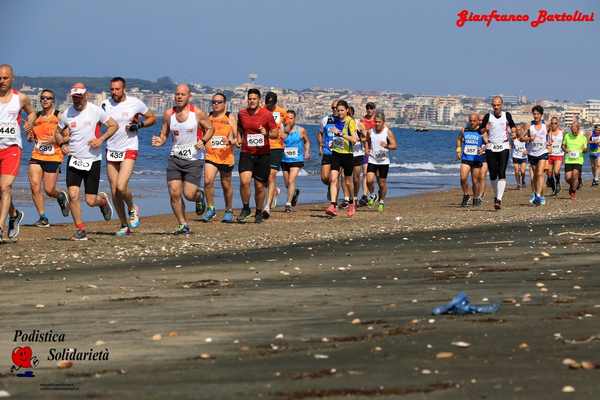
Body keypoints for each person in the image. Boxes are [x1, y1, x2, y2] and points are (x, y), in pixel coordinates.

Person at [54, 83, 118, 240]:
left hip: (93, 160)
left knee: (90, 200)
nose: (77, 100)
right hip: (74, 159)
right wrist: (62, 144)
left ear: (86, 95)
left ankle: (102, 201)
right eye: (74, 97)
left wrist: (100, 139)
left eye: (79, 96)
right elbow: (57, 132)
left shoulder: (96, 110)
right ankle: (80, 229)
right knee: (73, 195)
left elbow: (113, 126)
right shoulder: (66, 114)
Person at [151, 84, 212, 235]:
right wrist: (161, 140)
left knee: (189, 194)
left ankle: (199, 196)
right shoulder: (168, 114)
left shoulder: (196, 113)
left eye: (182, 94)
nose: (179, 97)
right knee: (174, 192)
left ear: (188, 96)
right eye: (177, 94)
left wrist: (203, 141)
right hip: (175, 158)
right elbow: (164, 133)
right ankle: (183, 224)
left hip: (194, 159)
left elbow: (210, 128)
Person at [101, 77, 156, 236]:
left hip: (129, 147)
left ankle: (133, 208)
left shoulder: (135, 103)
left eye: (117, 89)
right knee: (114, 191)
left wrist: (139, 125)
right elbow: (97, 123)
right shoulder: (105, 104)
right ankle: (124, 225)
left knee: (121, 186)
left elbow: (151, 118)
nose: (114, 92)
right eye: (112, 89)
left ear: (123, 89)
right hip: (111, 149)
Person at [0, 64, 37, 241]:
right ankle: (14, 214)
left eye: (5, 78)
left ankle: (0, 227)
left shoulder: (20, 98)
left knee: (5, 187)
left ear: (12, 78)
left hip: (12, 148)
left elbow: (32, 113)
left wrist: (30, 122)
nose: (2, 81)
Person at [24, 89, 70, 227]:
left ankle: (60, 196)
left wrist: (56, 140)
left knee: (49, 190)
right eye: (43, 98)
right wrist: (29, 135)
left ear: (53, 101)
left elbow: (69, 136)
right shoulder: (35, 117)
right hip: (37, 155)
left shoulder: (59, 116)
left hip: (54, 157)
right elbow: (30, 137)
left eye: (48, 98)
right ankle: (43, 217)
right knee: (34, 186)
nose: (45, 100)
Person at [236, 88, 278, 223]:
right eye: (249, 99)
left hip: (262, 154)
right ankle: (246, 207)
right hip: (246, 153)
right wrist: (238, 138)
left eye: (254, 99)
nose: (251, 101)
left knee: (260, 187)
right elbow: (240, 128)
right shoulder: (242, 114)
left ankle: (259, 211)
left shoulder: (266, 114)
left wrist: (266, 133)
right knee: (244, 181)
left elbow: (275, 133)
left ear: (259, 100)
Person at [201, 92, 237, 223]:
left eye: (219, 102)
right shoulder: (208, 116)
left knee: (226, 185)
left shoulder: (230, 117)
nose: (216, 104)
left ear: (224, 103)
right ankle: (211, 208)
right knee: (207, 181)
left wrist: (231, 141)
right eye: (214, 102)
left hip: (226, 156)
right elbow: (202, 133)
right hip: (210, 155)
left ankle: (228, 210)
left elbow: (237, 138)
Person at [480, 96, 517, 210]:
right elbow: (481, 130)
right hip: (491, 146)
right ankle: (496, 196)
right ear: (492, 106)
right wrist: (485, 129)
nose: (496, 107)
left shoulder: (507, 115)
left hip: (504, 146)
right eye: (494, 105)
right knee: (492, 174)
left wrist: (514, 133)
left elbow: (513, 126)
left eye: (498, 105)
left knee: (501, 172)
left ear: (502, 105)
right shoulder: (488, 116)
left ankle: (499, 199)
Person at [325, 100, 359, 217]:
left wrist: (340, 134)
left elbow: (354, 140)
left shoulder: (351, 122)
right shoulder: (334, 120)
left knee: (348, 182)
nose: (339, 112)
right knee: (333, 178)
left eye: (342, 110)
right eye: (338, 110)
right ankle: (333, 205)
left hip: (347, 154)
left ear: (347, 110)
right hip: (336, 153)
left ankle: (351, 203)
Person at [262, 91, 287, 219]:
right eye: (268, 103)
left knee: (271, 175)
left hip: (276, 147)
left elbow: (288, 125)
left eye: (271, 104)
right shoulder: (261, 110)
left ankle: (267, 207)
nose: (269, 106)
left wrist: (285, 132)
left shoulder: (282, 111)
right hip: (262, 146)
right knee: (263, 177)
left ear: (275, 103)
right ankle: (275, 191)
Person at [365, 111, 397, 212]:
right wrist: (367, 148)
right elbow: (367, 140)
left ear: (383, 122)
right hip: (372, 159)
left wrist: (386, 145)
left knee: (382, 184)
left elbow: (394, 146)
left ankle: (381, 201)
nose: (377, 124)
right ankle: (372, 195)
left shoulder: (387, 132)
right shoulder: (370, 131)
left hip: (383, 162)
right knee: (369, 180)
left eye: (379, 122)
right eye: (375, 122)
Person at [281, 110, 310, 212]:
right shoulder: (281, 130)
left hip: (297, 159)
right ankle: (295, 192)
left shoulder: (301, 130)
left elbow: (307, 142)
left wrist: (306, 152)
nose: (288, 120)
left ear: (294, 119)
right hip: (284, 159)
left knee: (291, 180)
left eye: (291, 118)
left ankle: (288, 204)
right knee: (286, 184)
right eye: (287, 118)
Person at [456, 113, 486, 207]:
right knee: (463, 178)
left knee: (475, 181)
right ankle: (466, 195)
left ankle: (476, 197)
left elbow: (488, 143)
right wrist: (458, 149)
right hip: (466, 158)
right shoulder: (464, 130)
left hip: (477, 159)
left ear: (478, 121)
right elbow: (459, 139)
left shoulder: (482, 131)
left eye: (474, 121)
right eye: (470, 121)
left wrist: (483, 149)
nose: (472, 122)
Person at [522, 105, 549, 206]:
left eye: (538, 114)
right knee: (535, 177)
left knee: (540, 173)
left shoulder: (546, 126)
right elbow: (521, 138)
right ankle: (539, 194)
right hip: (532, 153)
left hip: (543, 152)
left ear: (541, 115)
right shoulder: (529, 126)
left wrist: (550, 144)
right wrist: (529, 138)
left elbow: (550, 137)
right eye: (534, 114)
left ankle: (537, 195)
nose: (536, 116)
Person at [562, 121, 588, 200]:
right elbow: (563, 146)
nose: (574, 131)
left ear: (578, 128)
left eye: (575, 129)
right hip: (568, 159)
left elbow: (586, 149)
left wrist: (584, 150)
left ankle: (573, 191)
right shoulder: (567, 136)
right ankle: (575, 184)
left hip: (578, 159)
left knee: (575, 175)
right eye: (572, 129)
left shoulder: (583, 138)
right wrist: (565, 150)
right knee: (567, 178)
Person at [349, 106, 368, 208]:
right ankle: (349, 198)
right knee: (346, 177)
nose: (349, 115)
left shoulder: (358, 123)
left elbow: (365, 138)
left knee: (356, 178)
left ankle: (355, 196)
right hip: (346, 153)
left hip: (357, 153)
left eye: (350, 114)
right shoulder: (342, 123)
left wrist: (360, 137)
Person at [317, 101, 338, 199]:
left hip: (340, 153)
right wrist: (320, 146)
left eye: (336, 108)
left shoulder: (345, 120)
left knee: (335, 178)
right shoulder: (325, 120)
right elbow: (320, 133)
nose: (335, 110)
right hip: (327, 151)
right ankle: (330, 185)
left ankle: (334, 203)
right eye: (333, 108)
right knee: (324, 177)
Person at [359, 102, 376, 206]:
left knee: (374, 176)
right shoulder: (362, 120)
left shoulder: (377, 120)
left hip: (377, 151)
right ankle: (365, 196)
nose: (369, 110)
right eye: (368, 108)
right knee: (365, 173)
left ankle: (373, 194)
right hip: (365, 149)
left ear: (374, 109)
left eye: (371, 108)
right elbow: (361, 134)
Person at [546, 116, 564, 195]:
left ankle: (558, 183)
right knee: (549, 174)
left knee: (556, 171)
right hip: (549, 155)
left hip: (559, 154)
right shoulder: (548, 133)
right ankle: (554, 189)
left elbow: (565, 143)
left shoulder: (562, 132)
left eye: (555, 123)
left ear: (558, 124)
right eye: (552, 123)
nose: (554, 125)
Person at [511, 124, 528, 190]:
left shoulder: (525, 138)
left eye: (520, 129)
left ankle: (523, 181)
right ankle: (518, 184)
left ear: (522, 130)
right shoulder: (513, 138)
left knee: (523, 171)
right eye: (517, 130)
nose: (519, 131)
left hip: (523, 157)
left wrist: (527, 151)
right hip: (515, 156)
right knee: (516, 170)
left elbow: (529, 146)